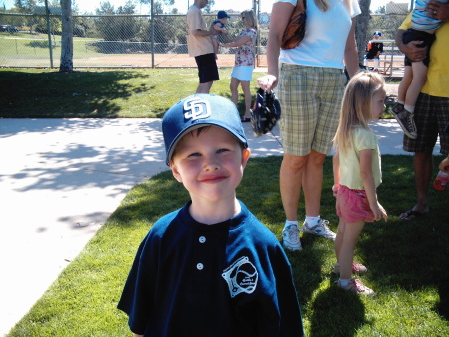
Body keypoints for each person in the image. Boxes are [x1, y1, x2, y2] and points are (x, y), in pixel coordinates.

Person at [117, 94, 305, 337]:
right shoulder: (160, 237)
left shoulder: (263, 246)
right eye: (193, 155)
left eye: (223, 149)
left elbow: (283, 327)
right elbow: (140, 324)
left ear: (243, 158)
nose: (210, 163)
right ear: (176, 170)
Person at [257, 0, 361, 251]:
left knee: (317, 157)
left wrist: (358, 84)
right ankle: (290, 224)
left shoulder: (350, 2)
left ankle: (312, 221)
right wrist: (273, 72)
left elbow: (350, 46)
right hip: (297, 74)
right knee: (295, 157)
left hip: (335, 79)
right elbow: (274, 34)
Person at [332, 72, 388, 295]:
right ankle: (346, 282)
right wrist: (374, 204)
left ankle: (340, 266)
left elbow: (336, 160)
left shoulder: (346, 129)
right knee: (350, 241)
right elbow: (366, 173)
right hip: (357, 195)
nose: (384, 105)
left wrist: (337, 187)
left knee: (343, 232)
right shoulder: (365, 136)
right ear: (364, 103)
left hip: (345, 192)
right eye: (381, 100)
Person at [396, 1, 449, 221]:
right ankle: (421, 204)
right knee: (421, 149)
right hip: (423, 92)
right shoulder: (431, 6)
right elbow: (401, 32)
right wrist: (404, 47)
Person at [391, 0, 448, 140]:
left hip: (414, 36)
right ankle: (406, 112)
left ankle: (400, 105)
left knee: (409, 77)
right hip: (419, 40)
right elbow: (400, 31)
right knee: (418, 79)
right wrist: (404, 47)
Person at [220, 10, 258, 122]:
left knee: (245, 88)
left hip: (246, 63)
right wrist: (222, 33)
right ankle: (234, 111)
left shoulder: (252, 31)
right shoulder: (244, 31)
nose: (242, 20)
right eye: (242, 18)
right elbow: (232, 40)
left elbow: (237, 43)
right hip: (239, 62)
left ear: (250, 18)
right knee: (233, 86)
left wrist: (221, 45)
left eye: (244, 18)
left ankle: (247, 114)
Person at [186, 0, 219, 94]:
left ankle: (197, 103)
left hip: (203, 50)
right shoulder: (194, 11)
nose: (207, 2)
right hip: (203, 50)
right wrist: (211, 32)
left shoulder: (194, 10)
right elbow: (195, 32)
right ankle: (201, 105)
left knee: (206, 81)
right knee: (206, 82)